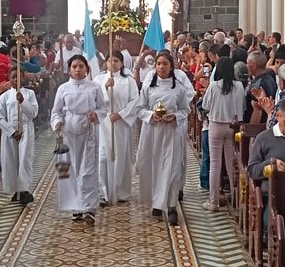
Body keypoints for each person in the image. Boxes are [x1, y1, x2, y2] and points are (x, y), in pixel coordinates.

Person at [137, 52, 192, 226]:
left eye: (165, 64)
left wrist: (175, 116)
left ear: (171, 66)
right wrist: (151, 115)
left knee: (173, 168)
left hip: (171, 132)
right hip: (153, 131)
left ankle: (171, 206)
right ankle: (157, 203)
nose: (161, 67)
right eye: (159, 64)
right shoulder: (148, 87)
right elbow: (139, 108)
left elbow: (185, 110)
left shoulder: (179, 88)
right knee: (155, 167)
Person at [52, 55, 106, 225]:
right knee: (68, 169)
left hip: (87, 131)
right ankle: (74, 207)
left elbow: (102, 108)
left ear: (86, 69)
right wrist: (58, 122)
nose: (77, 70)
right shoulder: (63, 88)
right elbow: (56, 111)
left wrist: (95, 115)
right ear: (69, 69)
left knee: (88, 168)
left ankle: (89, 207)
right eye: (74, 66)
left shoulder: (94, 87)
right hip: (68, 133)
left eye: (81, 66)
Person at [200, 57, 245, 211]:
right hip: (234, 126)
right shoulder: (239, 86)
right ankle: (236, 199)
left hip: (216, 125)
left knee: (215, 164)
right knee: (232, 163)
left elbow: (205, 105)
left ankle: (213, 202)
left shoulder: (213, 86)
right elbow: (243, 107)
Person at [95, 53, 139, 206]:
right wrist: (105, 87)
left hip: (120, 123)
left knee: (120, 156)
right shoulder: (99, 80)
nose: (112, 64)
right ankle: (103, 192)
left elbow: (135, 101)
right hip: (103, 122)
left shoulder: (129, 81)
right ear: (106, 63)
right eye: (109, 61)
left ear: (121, 63)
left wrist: (120, 114)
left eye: (116, 61)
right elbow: (94, 99)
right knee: (102, 157)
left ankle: (120, 191)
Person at [0, 66, 38, 206]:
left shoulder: (29, 94)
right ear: (9, 78)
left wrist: (23, 102)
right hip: (11, 132)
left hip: (25, 128)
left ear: (23, 78)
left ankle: (24, 189)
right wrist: (11, 131)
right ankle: (16, 189)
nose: (16, 79)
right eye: (13, 77)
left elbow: (33, 113)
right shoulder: (5, 96)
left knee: (25, 159)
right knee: (11, 160)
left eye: (18, 77)